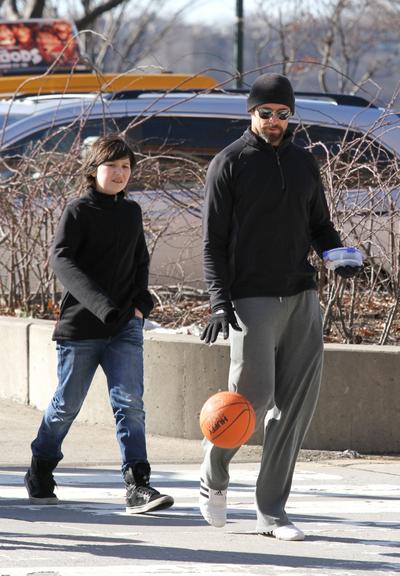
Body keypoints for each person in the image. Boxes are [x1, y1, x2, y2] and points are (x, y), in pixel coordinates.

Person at [199, 73, 360, 541]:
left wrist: (338, 256)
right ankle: (213, 473)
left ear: (292, 117)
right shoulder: (229, 164)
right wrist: (217, 301)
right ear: (251, 113)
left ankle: (272, 512)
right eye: (265, 112)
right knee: (248, 402)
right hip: (251, 298)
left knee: (294, 407)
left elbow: (320, 226)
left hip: (301, 295)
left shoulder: (305, 163)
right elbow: (212, 244)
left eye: (282, 114)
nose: (273, 121)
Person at [25, 134, 174, 515]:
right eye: (113, 166)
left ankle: (137, 485)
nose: (121, 173)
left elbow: (139, 260)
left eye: (127, 167)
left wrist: (141, 302)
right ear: (94, 170)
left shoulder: (131, 212)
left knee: (130, 404)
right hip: (81, 328)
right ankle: (41, 467)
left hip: (125, 326)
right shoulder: (77, 212)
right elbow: (62, 261)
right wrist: (100, 305)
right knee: (66, 405)